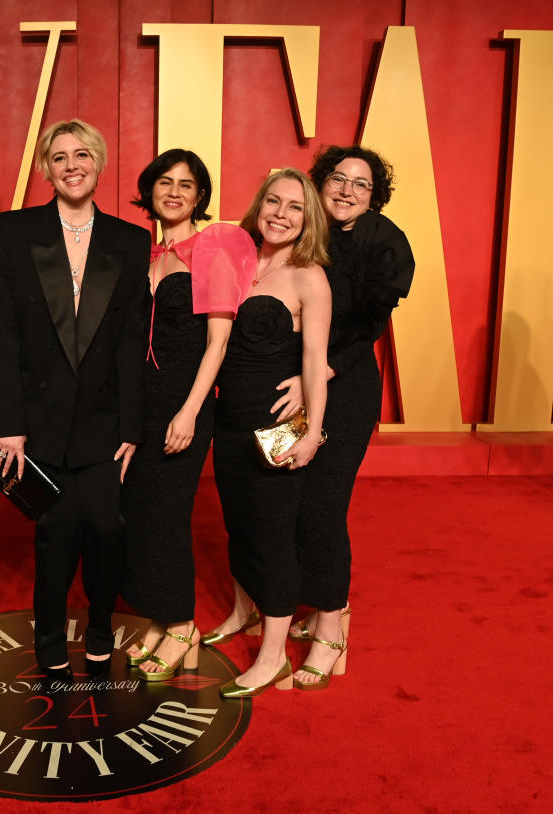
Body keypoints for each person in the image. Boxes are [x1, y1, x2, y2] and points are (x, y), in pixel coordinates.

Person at [0, 119, 150, 681]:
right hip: (39, 417)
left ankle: (102, 628)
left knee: (107, 528)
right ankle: (51, 639)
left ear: (100, 163)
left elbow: (132, 339)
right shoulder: (12, 231)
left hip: (106, 419)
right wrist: (9, 423)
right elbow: (5, 332)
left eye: (82, 154)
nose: (71, 164)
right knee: (54, 534)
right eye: (59, 157)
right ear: (46, 169)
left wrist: (133, 425)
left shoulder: (131, 241)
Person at [279, 146, 413, 687]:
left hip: (346, 385)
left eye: (361, 185)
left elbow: (370, 328)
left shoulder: (385, 242)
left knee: (322, 506)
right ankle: (315, 601)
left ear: (373, 195)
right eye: (338, 179)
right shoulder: (304, 228)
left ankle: (333, 624)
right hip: (291, 384)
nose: (347, 191)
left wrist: (323, 373)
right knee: (290, 499)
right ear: (320, 182)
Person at [120, 149, 255, 682]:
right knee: (139, 510)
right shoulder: (146, 253)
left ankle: (182, 626)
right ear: (149, 190)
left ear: (201, 196)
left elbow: (218, 342)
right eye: (164, 182)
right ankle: (161, 616)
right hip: (142, 402)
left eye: (187, 185)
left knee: (168, 514)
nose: (174, 192)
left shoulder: (212, 250)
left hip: (185, 401)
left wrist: (191, 412)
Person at [211, 168, 332, 698]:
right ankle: (244, 612)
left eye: (295, 207)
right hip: (229, 420)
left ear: (309, 220)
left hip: (277, 426)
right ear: (259, 205)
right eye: (274, 202)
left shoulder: (311, 277)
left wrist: (312, 434)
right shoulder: (237, 263)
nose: (281, 214)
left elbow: (315, 363)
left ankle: (273, 656)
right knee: (238, 525)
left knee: (274, 538)